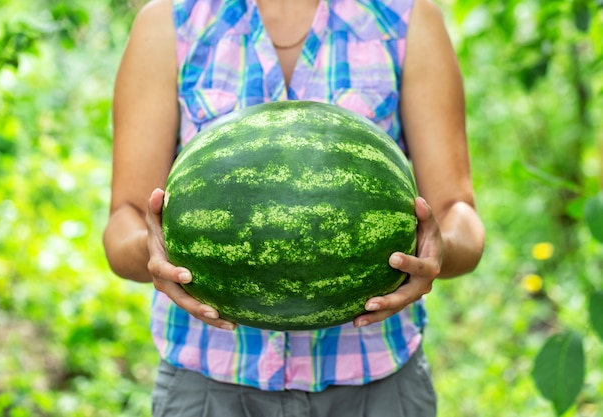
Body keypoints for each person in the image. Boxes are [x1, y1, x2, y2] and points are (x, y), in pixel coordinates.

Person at [103, 0, 485, 415]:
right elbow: (124, 220)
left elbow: (457, 213)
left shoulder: (407, 21)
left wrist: (439, 251)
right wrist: (154, 253)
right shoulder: (168, 23)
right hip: (209, 388)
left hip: (376, 386)